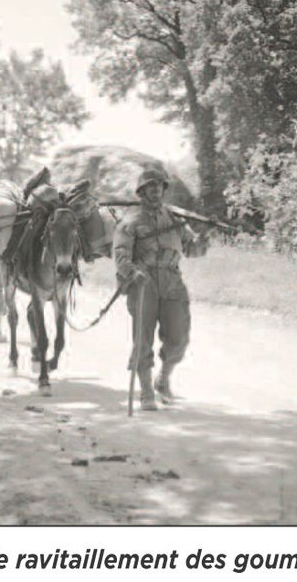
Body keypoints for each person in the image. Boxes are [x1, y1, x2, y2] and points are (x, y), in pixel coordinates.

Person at [112, 165, 209, 411]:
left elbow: (192, 250)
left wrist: (203, 240)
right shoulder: (130, 222)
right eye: (150, 186)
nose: (155, 190)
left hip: (172, 281)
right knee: (143, 340)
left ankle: (163, 380)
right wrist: (132, 272)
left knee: (179, 338)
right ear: (141, 192)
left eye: (158, 185)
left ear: (164, 189)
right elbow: (120, 255)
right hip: (143, 283)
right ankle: (146, 392)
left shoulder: (176, 219)